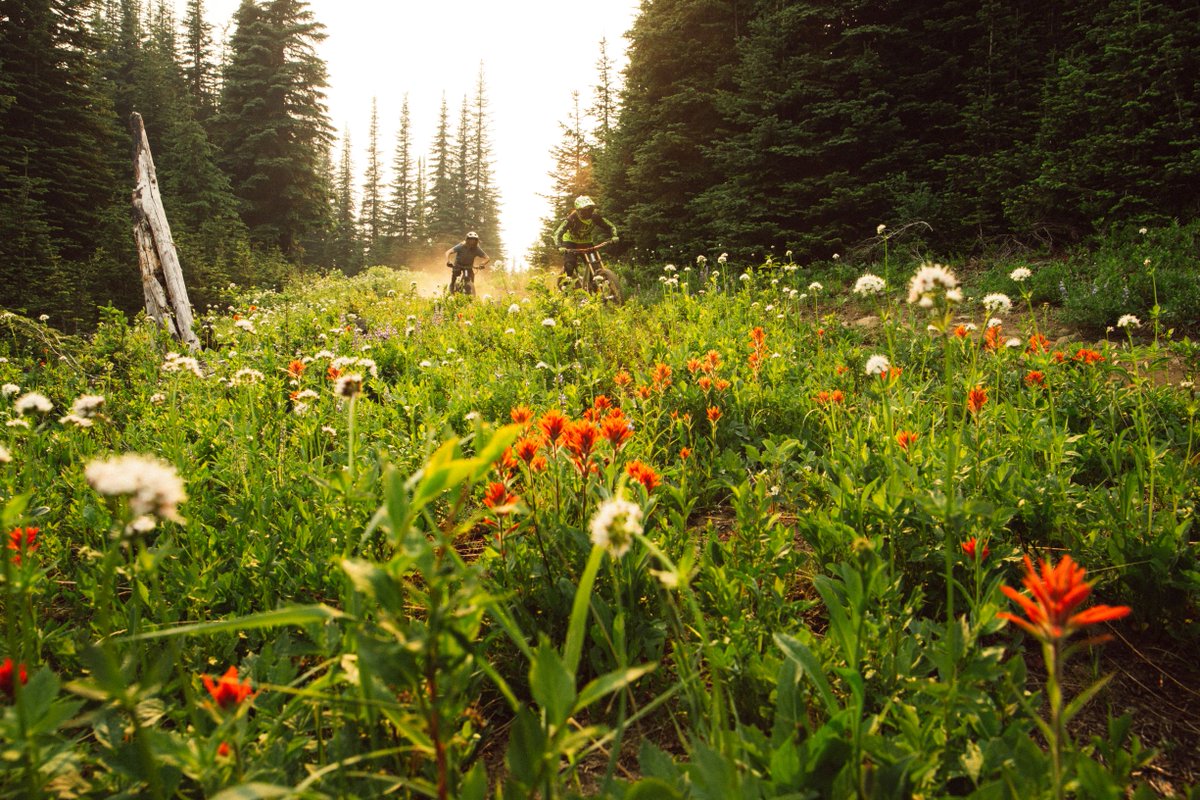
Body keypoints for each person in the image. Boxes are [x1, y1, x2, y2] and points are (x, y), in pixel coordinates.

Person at [553, 196, 618, 277]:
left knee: (595, 265)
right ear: (578, 211)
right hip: (570, 243)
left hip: (587, 243)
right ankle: (566, 285)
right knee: (570, 264)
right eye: (584, 211)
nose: (587, 213)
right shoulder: (571, 218)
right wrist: (559, 246)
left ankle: (593, 285)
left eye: (590, 210)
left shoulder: (595, 217)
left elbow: (611, 226)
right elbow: (558, 233)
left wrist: (614, 236)